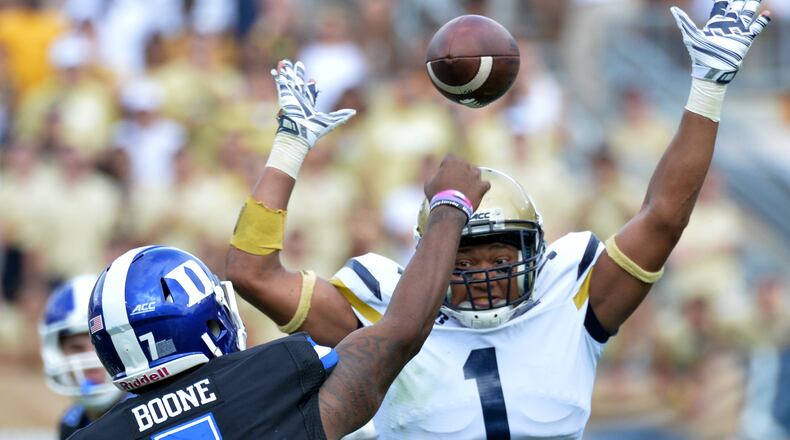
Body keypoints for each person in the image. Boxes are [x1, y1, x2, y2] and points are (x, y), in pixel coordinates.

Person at [225, 2, 771, 439]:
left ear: (536, 253)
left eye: (499, 256)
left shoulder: (570, 296)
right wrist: (290, 147)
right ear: (432, 257)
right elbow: (252, 274)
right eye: (464, 261)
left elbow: (664, 218)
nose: (484, 274)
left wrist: (709, 85)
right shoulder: (386, 308)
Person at [68, 160, 489, 438]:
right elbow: (398, 335)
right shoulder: (269, 376)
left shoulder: (91, 435)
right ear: (209, 322)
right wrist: (451, 206)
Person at [38, 275, 125, 439]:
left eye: (100, 345)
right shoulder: (71, 424)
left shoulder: (153, 413)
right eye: (77, 348)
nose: (92, 363)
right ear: (57, 352)